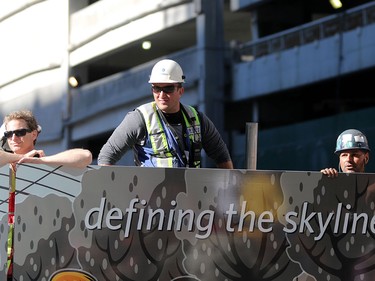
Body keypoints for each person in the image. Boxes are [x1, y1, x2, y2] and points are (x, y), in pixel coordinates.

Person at [98, 59, 233, 169]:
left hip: (189, 198)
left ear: (180, 90)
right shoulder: (139, 119)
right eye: (156, 88)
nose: (161, 95)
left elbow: (222, 157)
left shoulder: (198, 119)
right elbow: (106, 156)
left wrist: (229, 193)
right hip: (150, 199)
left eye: (168, 88)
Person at [0, 110, 92, 169]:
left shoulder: (44, 162)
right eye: (8, 134)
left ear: (34, 134)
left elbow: (86, 156)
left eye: (20, 132)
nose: (13, 138)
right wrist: (23, 158)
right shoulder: (4, 164)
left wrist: (40, 161)